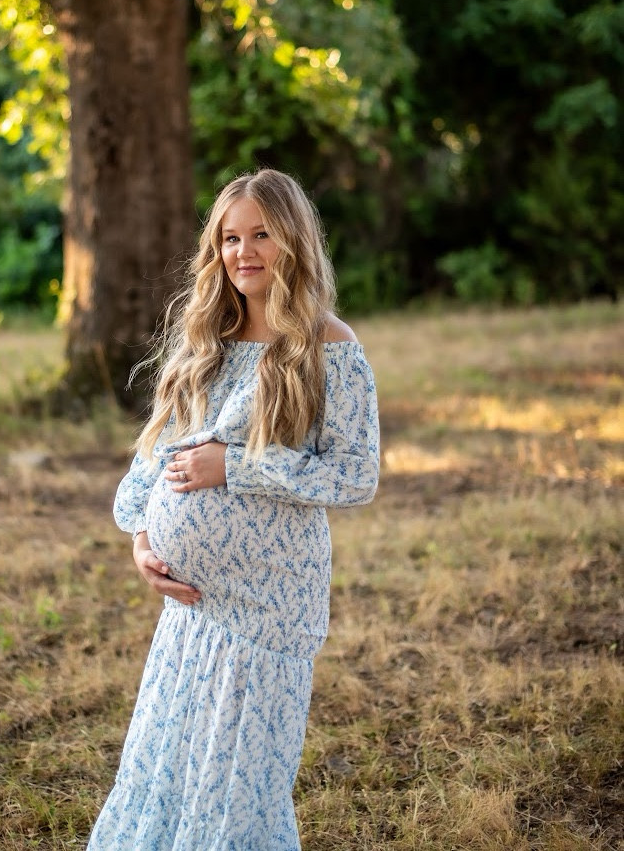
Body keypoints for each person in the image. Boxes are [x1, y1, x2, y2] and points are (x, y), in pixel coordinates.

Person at [87, 169, 380, 851]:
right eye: (229, 238)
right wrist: (142, 538)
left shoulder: (327, 346)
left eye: (261, 235)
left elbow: (355, 475)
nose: (244, 252)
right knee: (170, 777)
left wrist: (238, 467)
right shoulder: (207, 342)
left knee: (241, 792)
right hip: (192, 609)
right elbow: (153, 455)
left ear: (294, 243)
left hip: (270, 608)